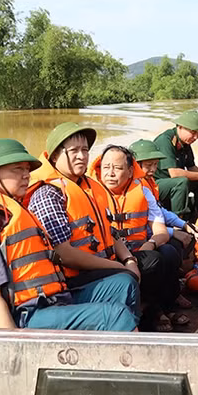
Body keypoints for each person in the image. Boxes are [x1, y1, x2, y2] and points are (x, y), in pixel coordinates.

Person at [0, 139, 137, 331]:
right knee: (115, 316)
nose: (26, 175)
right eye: (17, 170)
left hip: (50, 299)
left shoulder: (13, 207)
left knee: (124, 284)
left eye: (27, 169)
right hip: (24, 314)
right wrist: (13, 348)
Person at [25, 123, 141, 324]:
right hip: (71, 279)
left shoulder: (91, 186)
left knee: (155, 261)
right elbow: (64, 254)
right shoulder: (48, 194)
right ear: (54, 156)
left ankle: (138, 323)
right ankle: (124, 332)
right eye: (74, 151)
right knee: (125, 281)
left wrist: (129, 260)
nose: (81, 156)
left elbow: (110, 232)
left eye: (85, 150)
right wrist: (118, 267)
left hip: (99, 266)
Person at [92, 145, 190, 331]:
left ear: (130, 171)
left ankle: (162, 306)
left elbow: (160, 231)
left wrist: (150, 244)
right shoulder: (91, 193)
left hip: (139, 251)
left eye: (118, 168)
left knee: (170, 251)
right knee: (154, 260)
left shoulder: (143, 192)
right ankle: (152, 310)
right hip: (108, 255)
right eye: (106, 167)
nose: (110, 174)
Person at [152, 110, 198, 221]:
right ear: (180, 127)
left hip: (173, 184)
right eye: (193, 132)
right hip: (156, 185)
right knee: (182, 182)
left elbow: (191, 167)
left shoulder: (185, 142)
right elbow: (174, 174)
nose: (196, 137)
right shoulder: (165, 141)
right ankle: (178, 222)